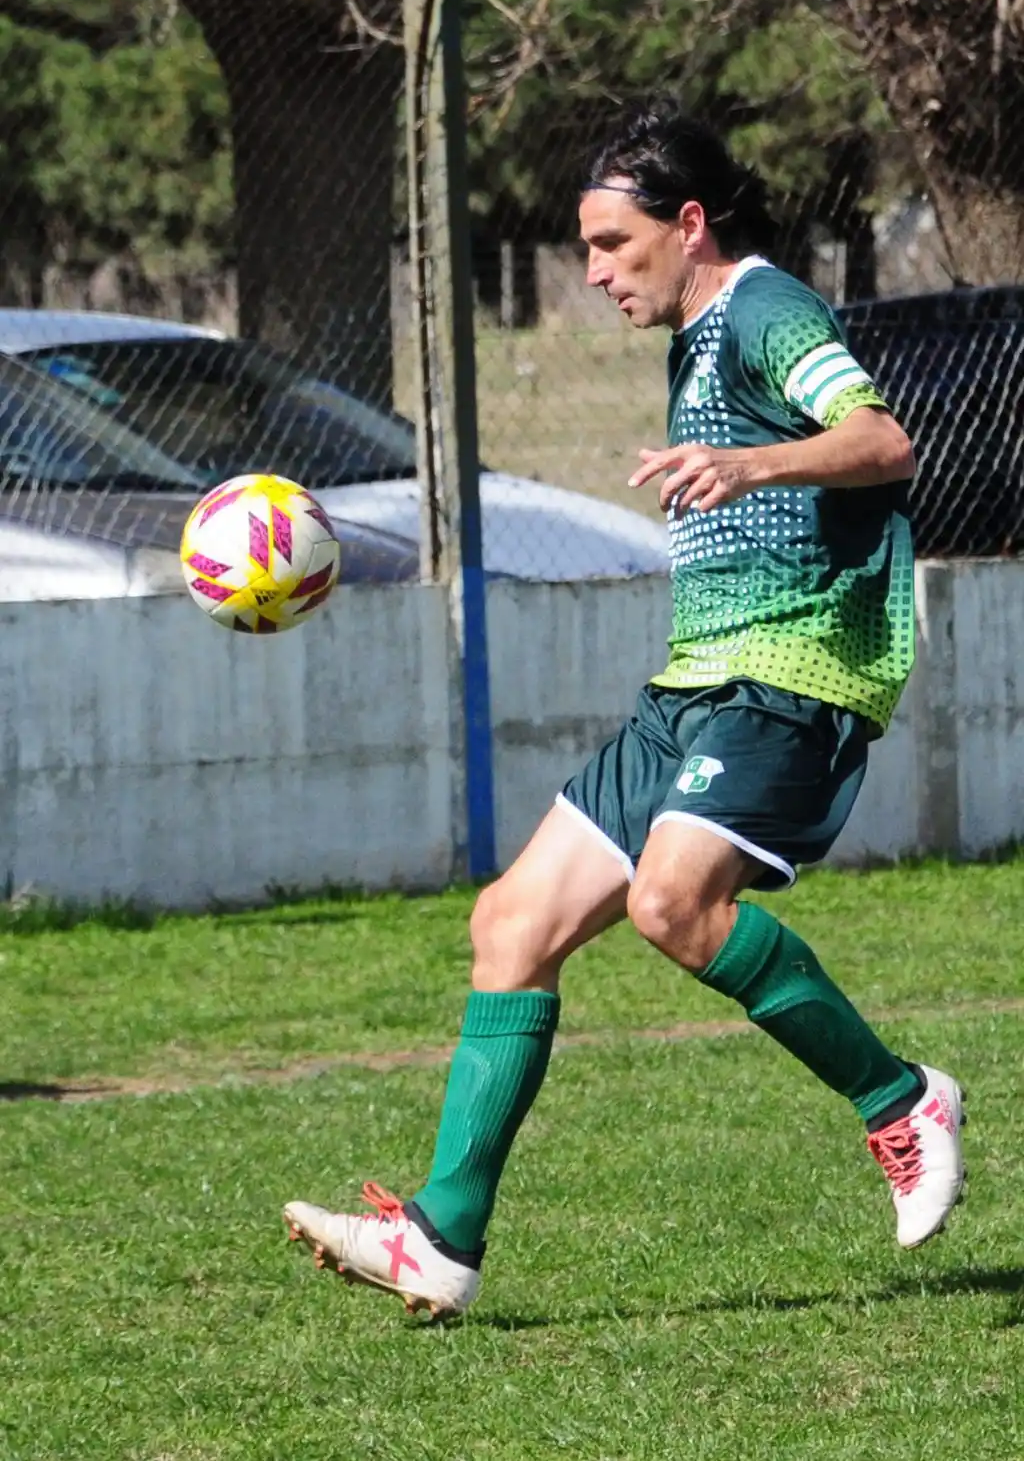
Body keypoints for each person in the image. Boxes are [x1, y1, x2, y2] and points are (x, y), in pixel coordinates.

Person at [283, 98, 965, 1320]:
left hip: (794, 668)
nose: (593, 271)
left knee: (672, 903)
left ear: (686, 223)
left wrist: (753, 461)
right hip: (697, 680)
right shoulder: (694, 334)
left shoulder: (765, 308)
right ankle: (441, 1240)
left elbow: (880, 438)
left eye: (611, 244)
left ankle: (898, 1099)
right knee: (511, 926)